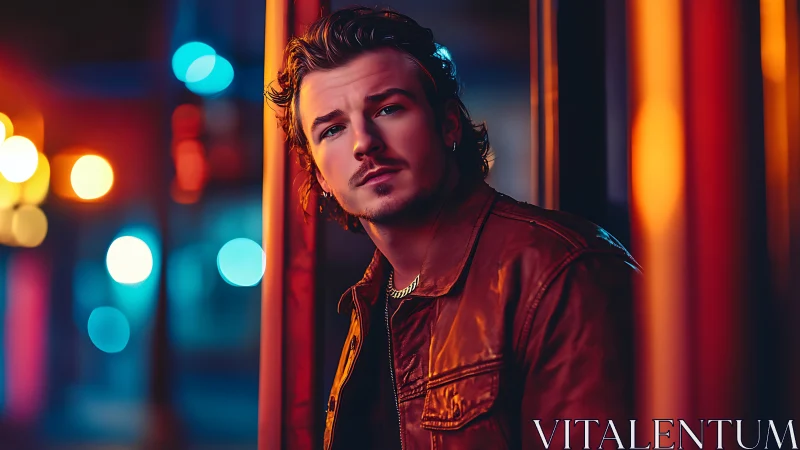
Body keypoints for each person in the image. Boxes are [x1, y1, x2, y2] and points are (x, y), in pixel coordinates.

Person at [267, 6, 640, 449]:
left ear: (448, 126)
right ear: (320, 176)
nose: (364, 142)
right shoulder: (370, 301)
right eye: (332, 130)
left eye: (387, 108)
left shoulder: (560, 272)